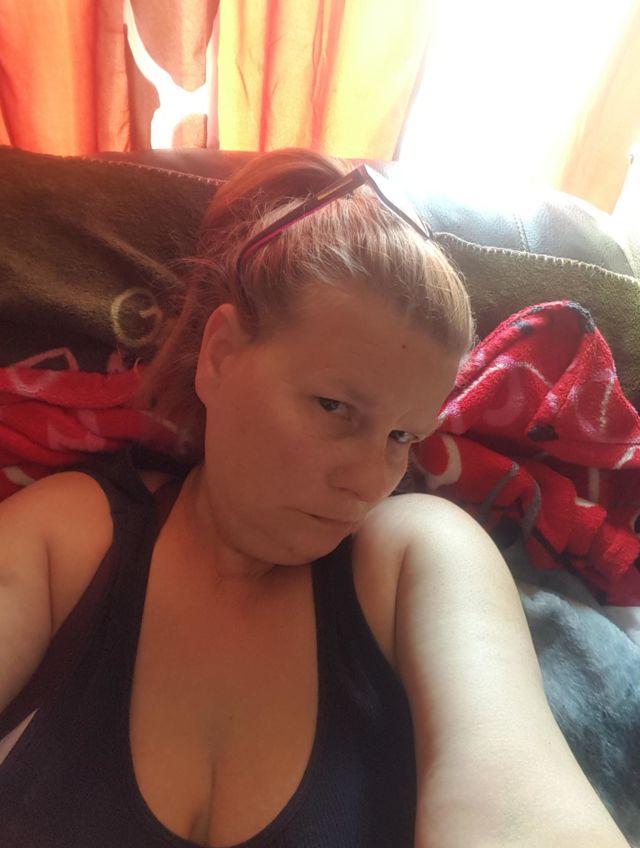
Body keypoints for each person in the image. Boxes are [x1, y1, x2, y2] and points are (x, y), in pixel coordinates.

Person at [0, 148, 630, 848]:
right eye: (334, 406)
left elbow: (517, 797)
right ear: (219, 355)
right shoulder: (72, 540)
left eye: (402, 436)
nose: (368, 481)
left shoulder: (418, 557)